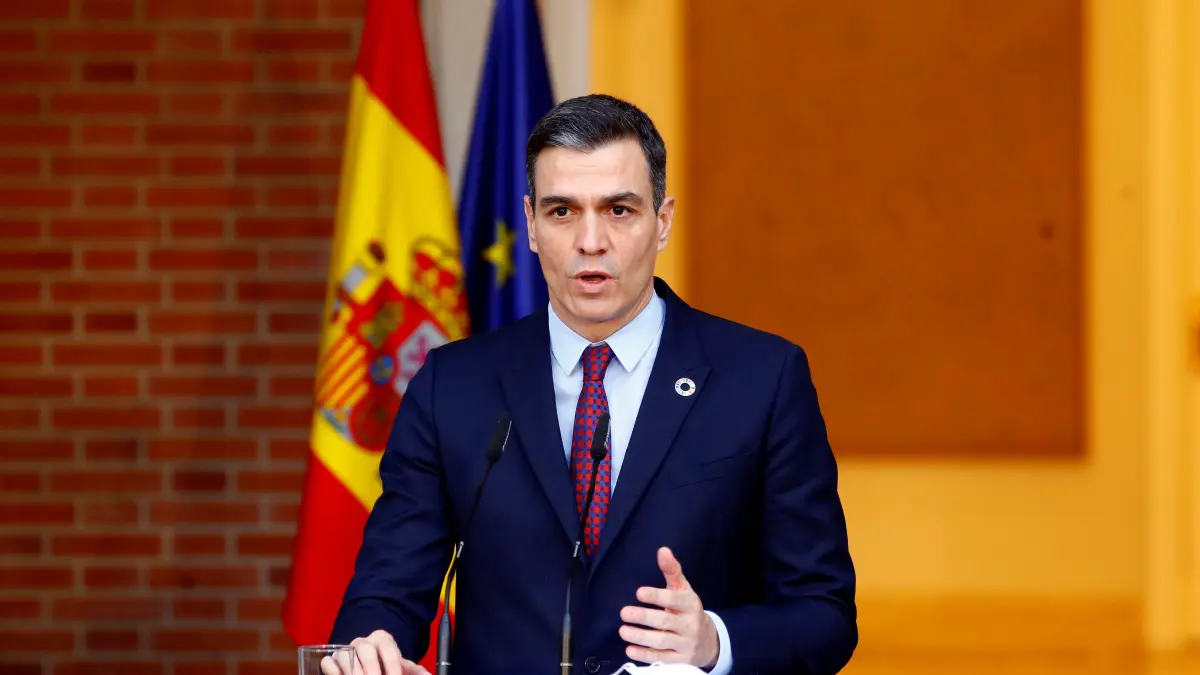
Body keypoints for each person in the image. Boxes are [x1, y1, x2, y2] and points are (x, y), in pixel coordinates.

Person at [324, 94, 857, 675]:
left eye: (619, 210)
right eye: (562, 211)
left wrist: (714, 642)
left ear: (663, 222)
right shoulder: (451, 386)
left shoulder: (761, 379)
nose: (590, 241)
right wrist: (371, 647)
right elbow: (387, 588)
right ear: (530, 224)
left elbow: (824, 614)